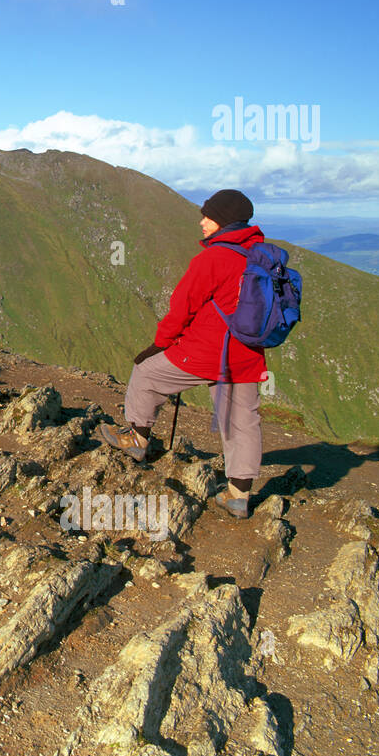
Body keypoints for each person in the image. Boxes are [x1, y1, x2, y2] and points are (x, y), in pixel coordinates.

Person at [98, 189, 266, 518]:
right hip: (246, 355)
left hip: (205, 353)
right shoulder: (261, 254)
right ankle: (238, 497)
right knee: (242, 421)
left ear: (226, 221)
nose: (202, 221)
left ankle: (137, 440)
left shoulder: (214, 258)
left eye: (209, 216)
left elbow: (182, 309)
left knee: (146, 373)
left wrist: (158, 345)